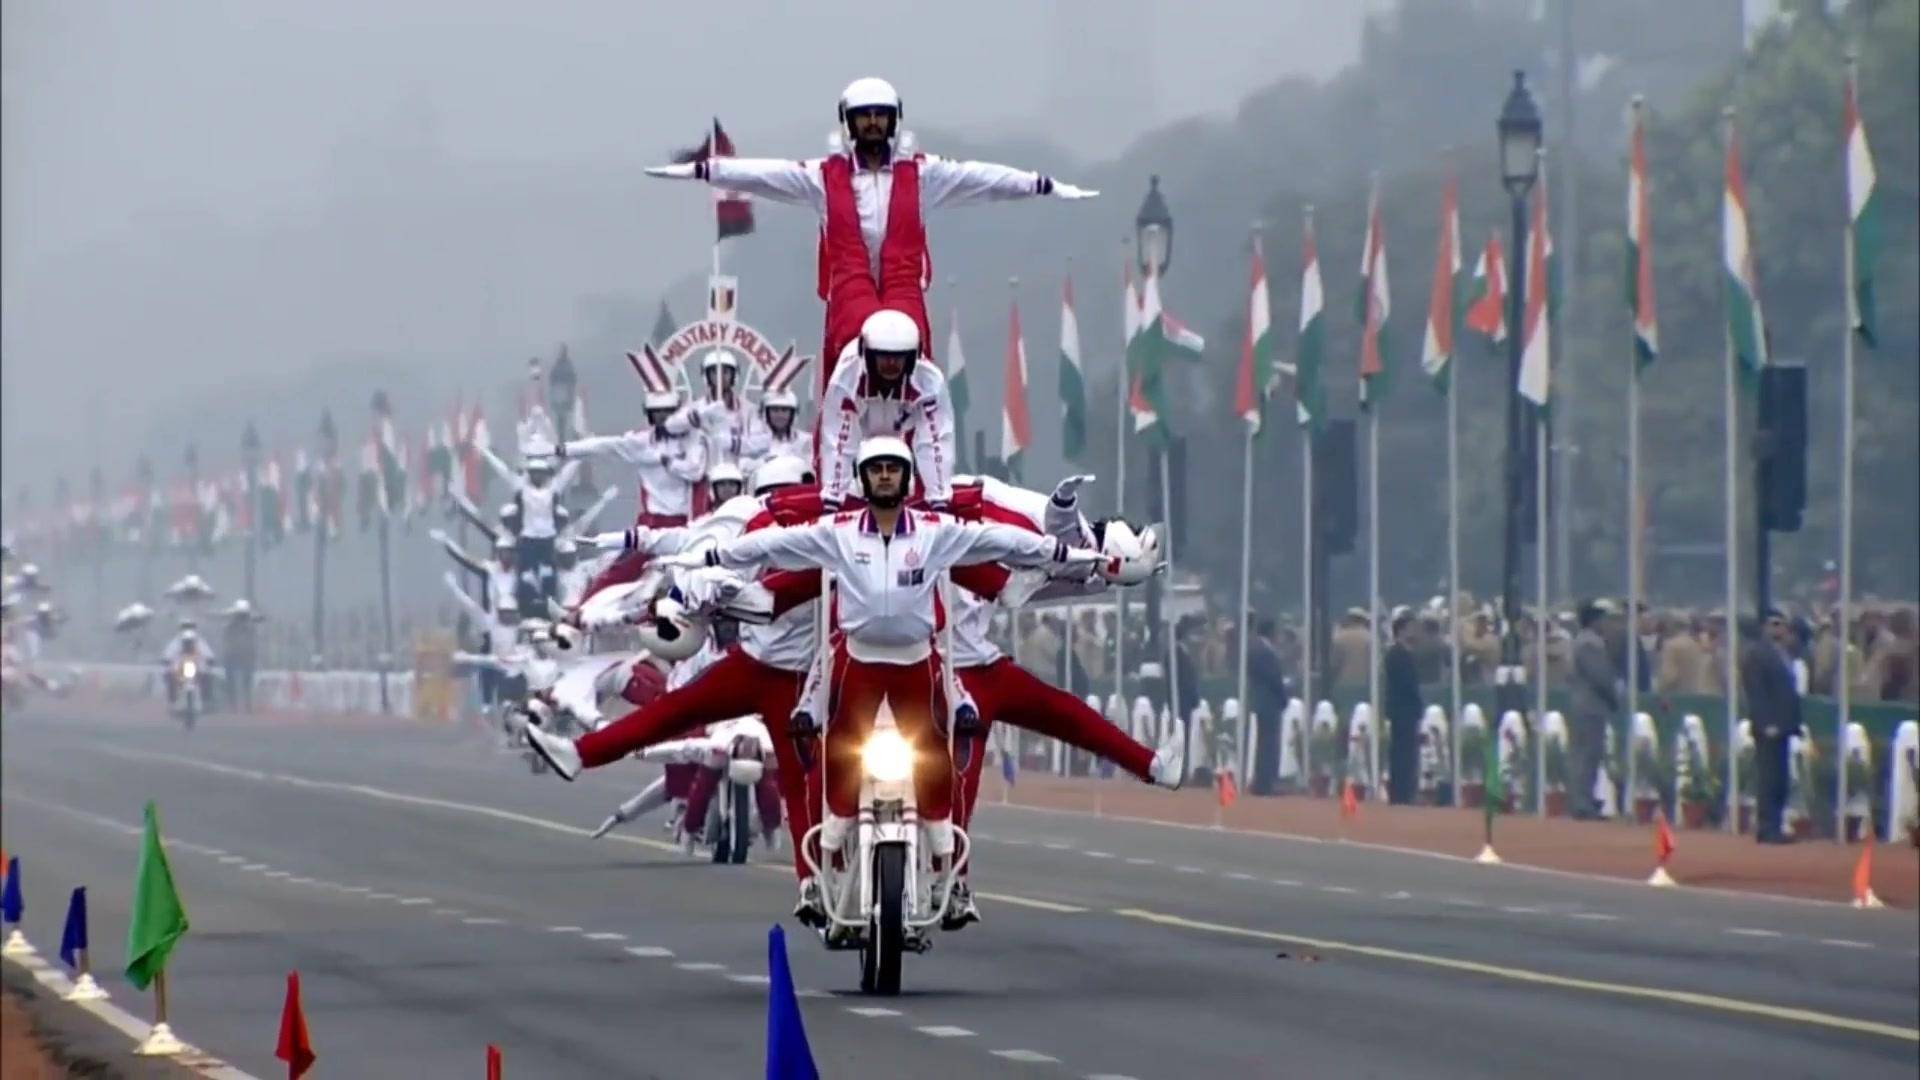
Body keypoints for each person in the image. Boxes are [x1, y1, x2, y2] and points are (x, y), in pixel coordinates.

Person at [677, 438, 1098, 917]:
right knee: (826, 743)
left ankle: (949, 871)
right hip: (852, 668)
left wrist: (1067, 555)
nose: (883, 477)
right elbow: (774, 545)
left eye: (892, 469)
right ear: (860, 476)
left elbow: (1004, 542)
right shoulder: (835, 535)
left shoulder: (936, 533)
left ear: (908, 476)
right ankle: (821, 865)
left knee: (941, 746)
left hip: (916, 669)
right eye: (874, 469)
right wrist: (713, 560)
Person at [644, 77, 1096, 380]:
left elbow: (985, 180)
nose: (874, 123)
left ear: (895, 120)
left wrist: (1044, 185)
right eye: (865, 116)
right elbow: (760, 174)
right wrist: (700, 171)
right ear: (849, 123)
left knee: (916, 361)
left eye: (882, 115)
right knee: (847, 362)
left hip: (903, 287)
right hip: (848, 290)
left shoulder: (924, 175)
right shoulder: (822, 176)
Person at [561, 389, 707, 599]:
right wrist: (566, 449)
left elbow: (697, 472)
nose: (663, 418)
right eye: (657, 413)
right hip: (652, 523)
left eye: (668, 412)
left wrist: (672, 461)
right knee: (621, 570)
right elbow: (605, 445)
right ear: (649, 415)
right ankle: (579, 613)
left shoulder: (695, 441)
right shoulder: (641, 443)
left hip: (687, 523)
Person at [818, 308, 955, 508]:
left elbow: (935, 440)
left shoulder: (929, 381)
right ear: (867, 354)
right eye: (883, 357)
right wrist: (833, 499)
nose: (891, 364)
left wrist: (939, 499)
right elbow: (838, 442)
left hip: (896, 425)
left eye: (898, 357)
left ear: (912, 357)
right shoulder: (846, 379)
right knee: (850, 285)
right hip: (849, 328)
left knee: (904, 281)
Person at [1740, 615, 1802, 843]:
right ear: (1764, 627)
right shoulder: (1757, 654)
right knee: (1769, 778)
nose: (1780, 629)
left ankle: (1775, 825)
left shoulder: (1783, 653)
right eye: (1774, 624)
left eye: (1783, 624)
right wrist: (1766, 723)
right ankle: (1767, 828)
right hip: (1769, 727)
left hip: (1784, 726)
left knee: (1780, 779)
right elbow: (1756, 692)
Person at [1568, 599, 1621, 820]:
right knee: (1588, 755)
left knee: (1586, 754)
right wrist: (1614, 697)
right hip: (1591, 705)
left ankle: (1584, 800)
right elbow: (1600, 676)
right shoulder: (1590, 643)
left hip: (1585, 704)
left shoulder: (1584, 641)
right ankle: (1582, 802)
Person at [1382, 609, 1423, 805]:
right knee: (1401, 754)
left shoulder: (1406, 653)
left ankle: (1405, 791)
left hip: (1406, 711)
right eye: (1410, 628)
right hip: (1402, 711)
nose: (1414, 631)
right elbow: (1406, 685)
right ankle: (1400, 793)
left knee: (1407, 754)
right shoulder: (1396, 654)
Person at [1247, 616, 1290, 796]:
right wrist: (1283, 696)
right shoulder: (1264, 651)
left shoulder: (1258, 649)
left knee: (1265, 743)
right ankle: (1265, 783)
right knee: (1269, 744)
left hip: (1264, 701)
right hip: (1269, 701)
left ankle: (1263, 781)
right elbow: (1273, 678)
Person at [743, 390, 813, 476]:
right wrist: (762, 463)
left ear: (793, 414)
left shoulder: (806, 441)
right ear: (767, 414)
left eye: (784, 410)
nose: (780, 415)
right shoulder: (755, 441)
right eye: (775, 410)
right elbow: (741, 465)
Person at [222, 599, 261, 714]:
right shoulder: (229, 626)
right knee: (231, 683)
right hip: (232, 656)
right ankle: (233, 705)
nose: (241, 618)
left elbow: (254, 641)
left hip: (246, 657)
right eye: (239, 615)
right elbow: (226, 640)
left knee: (247, 682)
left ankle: (247, 704)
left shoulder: (251, 626)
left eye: (243, 615)